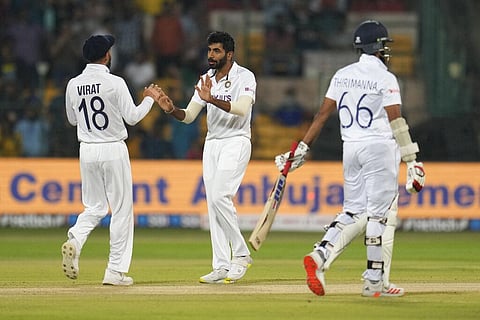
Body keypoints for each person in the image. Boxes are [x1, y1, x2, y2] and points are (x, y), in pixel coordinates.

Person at [275, 20, 426, 297]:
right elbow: (396, 121)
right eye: (385, 46)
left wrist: (301, 149)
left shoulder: (342, 74)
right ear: (378, 47)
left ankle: (320, 255)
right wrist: (413, 160)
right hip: (379, 149)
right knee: (378, 218)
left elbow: (321, 116)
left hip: (351, 149)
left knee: (352, 211)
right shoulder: (386, 78)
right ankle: (372, 281)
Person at [156, 31, 256, 284]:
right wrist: (172, 110)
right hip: (211, 145)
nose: (211, 55)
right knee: (213, 202)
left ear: (229, 54)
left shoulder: (245, 77)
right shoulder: (205, 79)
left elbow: (242, 110)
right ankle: (221, 265)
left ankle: (241, 254)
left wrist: (212, 99)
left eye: (216, 51)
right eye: (209, 50)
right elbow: (189, 115)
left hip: (236, 141)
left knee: (221, 195)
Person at [61, 34, 162, 286]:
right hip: (113, 148)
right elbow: (133, 117)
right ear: (107, 56)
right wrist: (150, 97)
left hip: (87, 149)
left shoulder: (73, 84)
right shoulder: (115, 82)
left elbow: (73, 120)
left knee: (94, 207)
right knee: (121, 210)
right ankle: (115, 271)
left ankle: (75, 238)